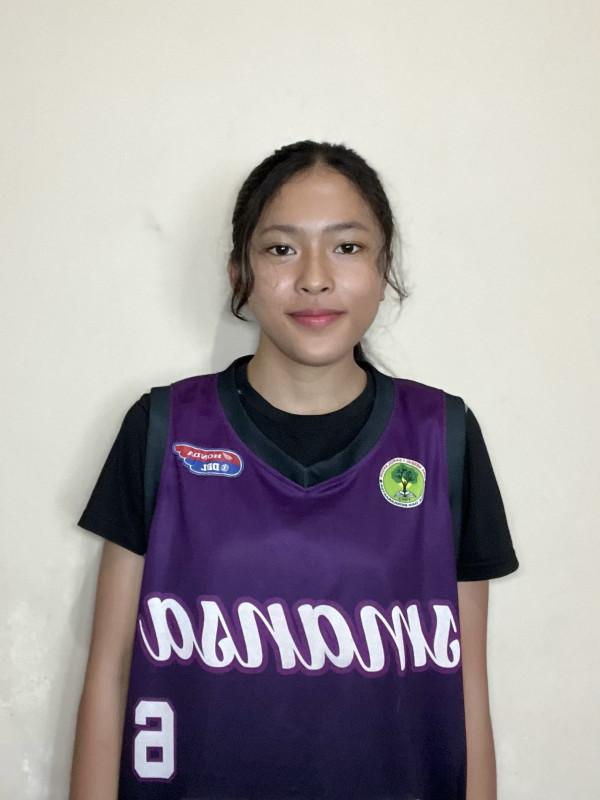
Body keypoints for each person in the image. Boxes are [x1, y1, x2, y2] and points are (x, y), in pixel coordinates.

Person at [70, 141, 518, 800]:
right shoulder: (162, 430)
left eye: (347, 247)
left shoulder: (442, 437)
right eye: (281, 248)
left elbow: (466, 690)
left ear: (384, 267)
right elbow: (110, 677)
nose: (314, 277)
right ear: (239, 273)